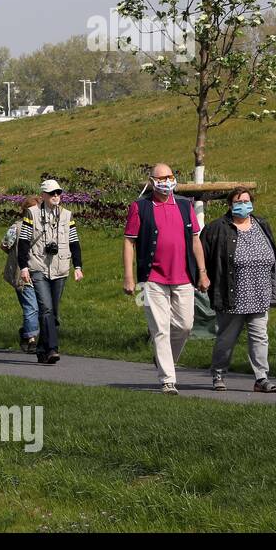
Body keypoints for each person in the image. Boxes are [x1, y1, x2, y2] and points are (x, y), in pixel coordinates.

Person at [123, 163, 210, 395]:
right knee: (160, 328)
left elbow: (195, 240)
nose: (166, 181)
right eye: (161, 177)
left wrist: (202, 272)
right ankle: (168, 380)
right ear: (151, 181)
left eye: (170, 176)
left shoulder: (184, 205)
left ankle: (163, 359)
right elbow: (129, 242)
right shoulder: (140, 207)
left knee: (185, 325)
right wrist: (129, 277)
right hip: (151, 279)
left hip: (183, 277)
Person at [200, 187, 276, 394]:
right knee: (227, 338)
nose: (243, 205)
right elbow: (202, 255)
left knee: (260, 336)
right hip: (232, 295)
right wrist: (202, 277)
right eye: (238, 202)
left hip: (259, 293)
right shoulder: (218, 228)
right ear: (230, 205)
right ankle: (219, 374)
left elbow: (273, 254)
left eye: (246, 201)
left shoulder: (262, 225)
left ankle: (261, 378)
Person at [17, 179, 84, 365]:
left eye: (58, 193)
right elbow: (23, 243)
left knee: (53, 312)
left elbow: (74, 242)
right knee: (45, 307)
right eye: (52, 193)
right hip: (37, 267)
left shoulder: (67, 215)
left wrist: (77, 266)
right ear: (43, 196)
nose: (56, 196)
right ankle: (53, 348)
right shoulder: (32, 213)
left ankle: (41, 350)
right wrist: (23, 267)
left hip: (60, 268)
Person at [0, 195, 41, 354]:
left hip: (42, 273)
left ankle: (26, 332)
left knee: (40, 307)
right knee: (31, 307)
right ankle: (31, 339)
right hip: (23, 275)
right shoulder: (16, 227)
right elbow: (4, 245)